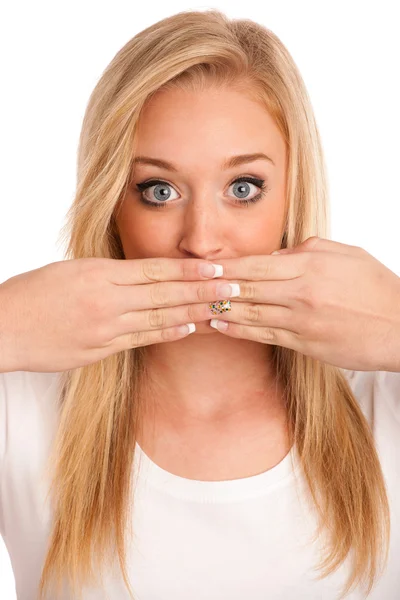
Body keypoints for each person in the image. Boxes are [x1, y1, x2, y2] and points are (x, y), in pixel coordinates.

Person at [0, 8, 399, 600]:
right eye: (158, 191)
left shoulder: (382, 393)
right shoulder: (23, 401)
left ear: (293, 194)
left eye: (243, 189)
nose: (202, 239)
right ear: (111, 202)